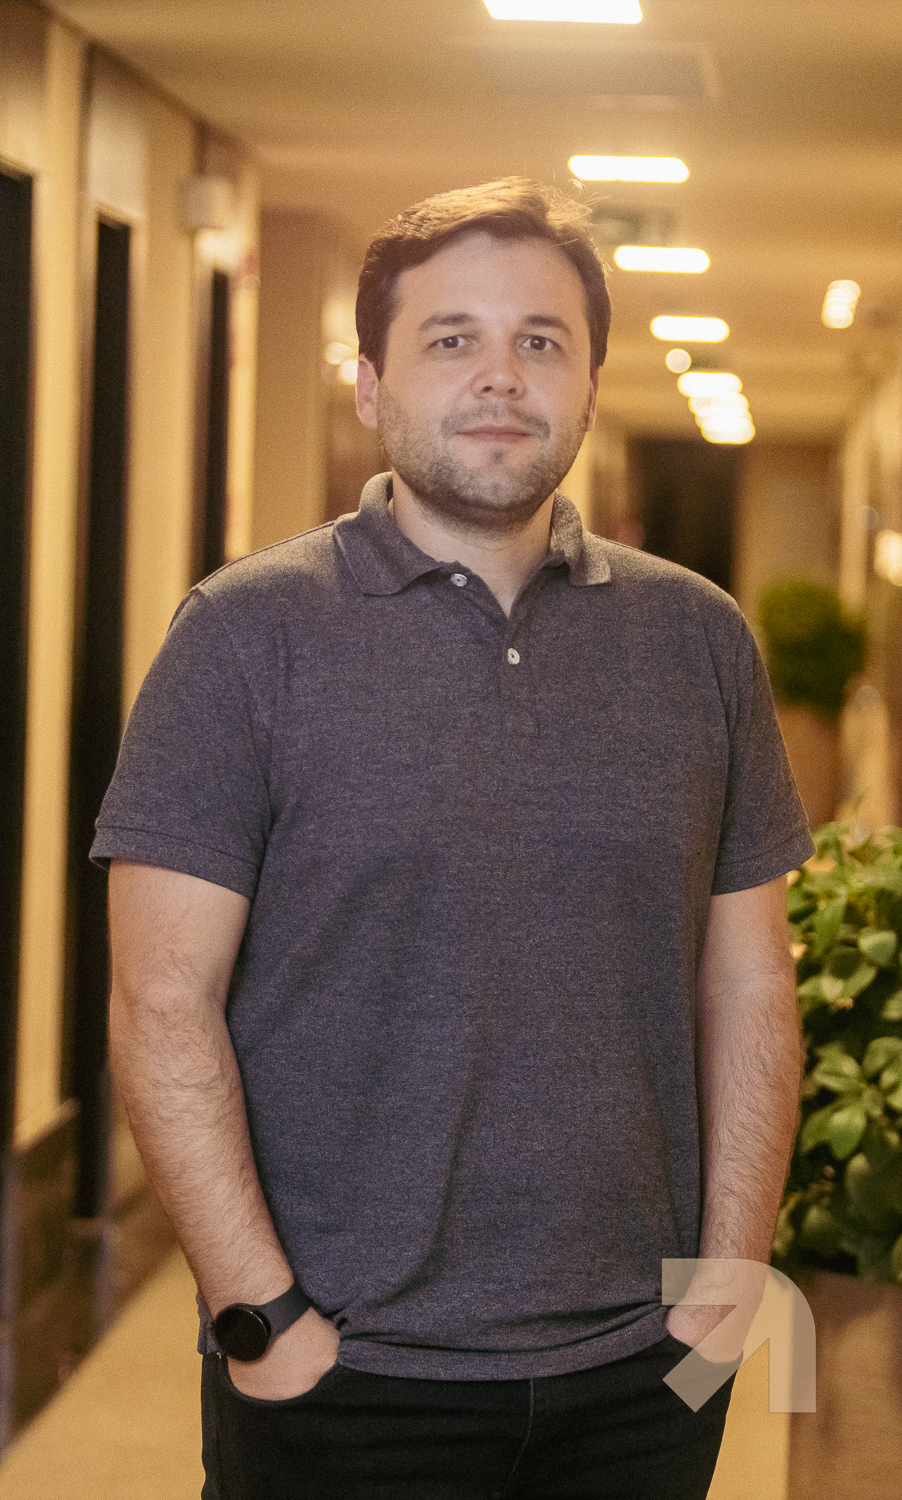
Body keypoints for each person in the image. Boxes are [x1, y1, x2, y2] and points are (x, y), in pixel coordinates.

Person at [94, 178, 813, 1500]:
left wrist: (728, 1280)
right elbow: (159, 999)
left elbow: (749, 979)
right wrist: (260, 1319)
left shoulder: (699, 641)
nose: (500, 375)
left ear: (589, 385)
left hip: (640, 1373)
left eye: (540, 340)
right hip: (345, 1372)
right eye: (450, 339)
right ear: (371, 385)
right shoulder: (244, 638)